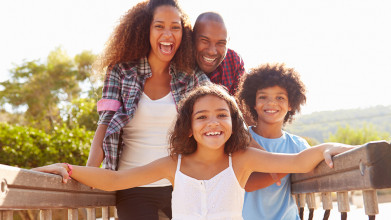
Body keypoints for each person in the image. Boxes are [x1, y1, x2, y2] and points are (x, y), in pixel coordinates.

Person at [32, 84, 356, 220]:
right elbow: (117, 180)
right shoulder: (173, 164)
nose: (212, 123)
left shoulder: (241, 159)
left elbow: (299, 161)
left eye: (221, 115)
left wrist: (330, 147)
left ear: (233, 123)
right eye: (201, 117)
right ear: (188, 127)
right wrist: (68, 168)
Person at [86, 0, 209, 219]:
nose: (168, 34)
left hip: (182, 186)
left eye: (175, 27)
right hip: (132, 186)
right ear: (146, 29)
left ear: (183, 33)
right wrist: (89, 172)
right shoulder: (121, 72)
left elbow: (227, 110)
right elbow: (105, 124)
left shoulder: (191, 77)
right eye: (159, 26)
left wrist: (267, 158)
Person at [236, 63, 315, 219]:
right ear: (254, 103)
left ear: (291, 104)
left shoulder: (298, 145)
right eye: (263, 97)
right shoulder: (240, 140)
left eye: (280, 97)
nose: (271, 103)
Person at [193, 12, 244, 96]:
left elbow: (240, 105)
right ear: (192, 38)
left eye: (221, 43)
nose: (212, 51)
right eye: (204, 41)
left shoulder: (234, 62)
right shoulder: (177, 64)